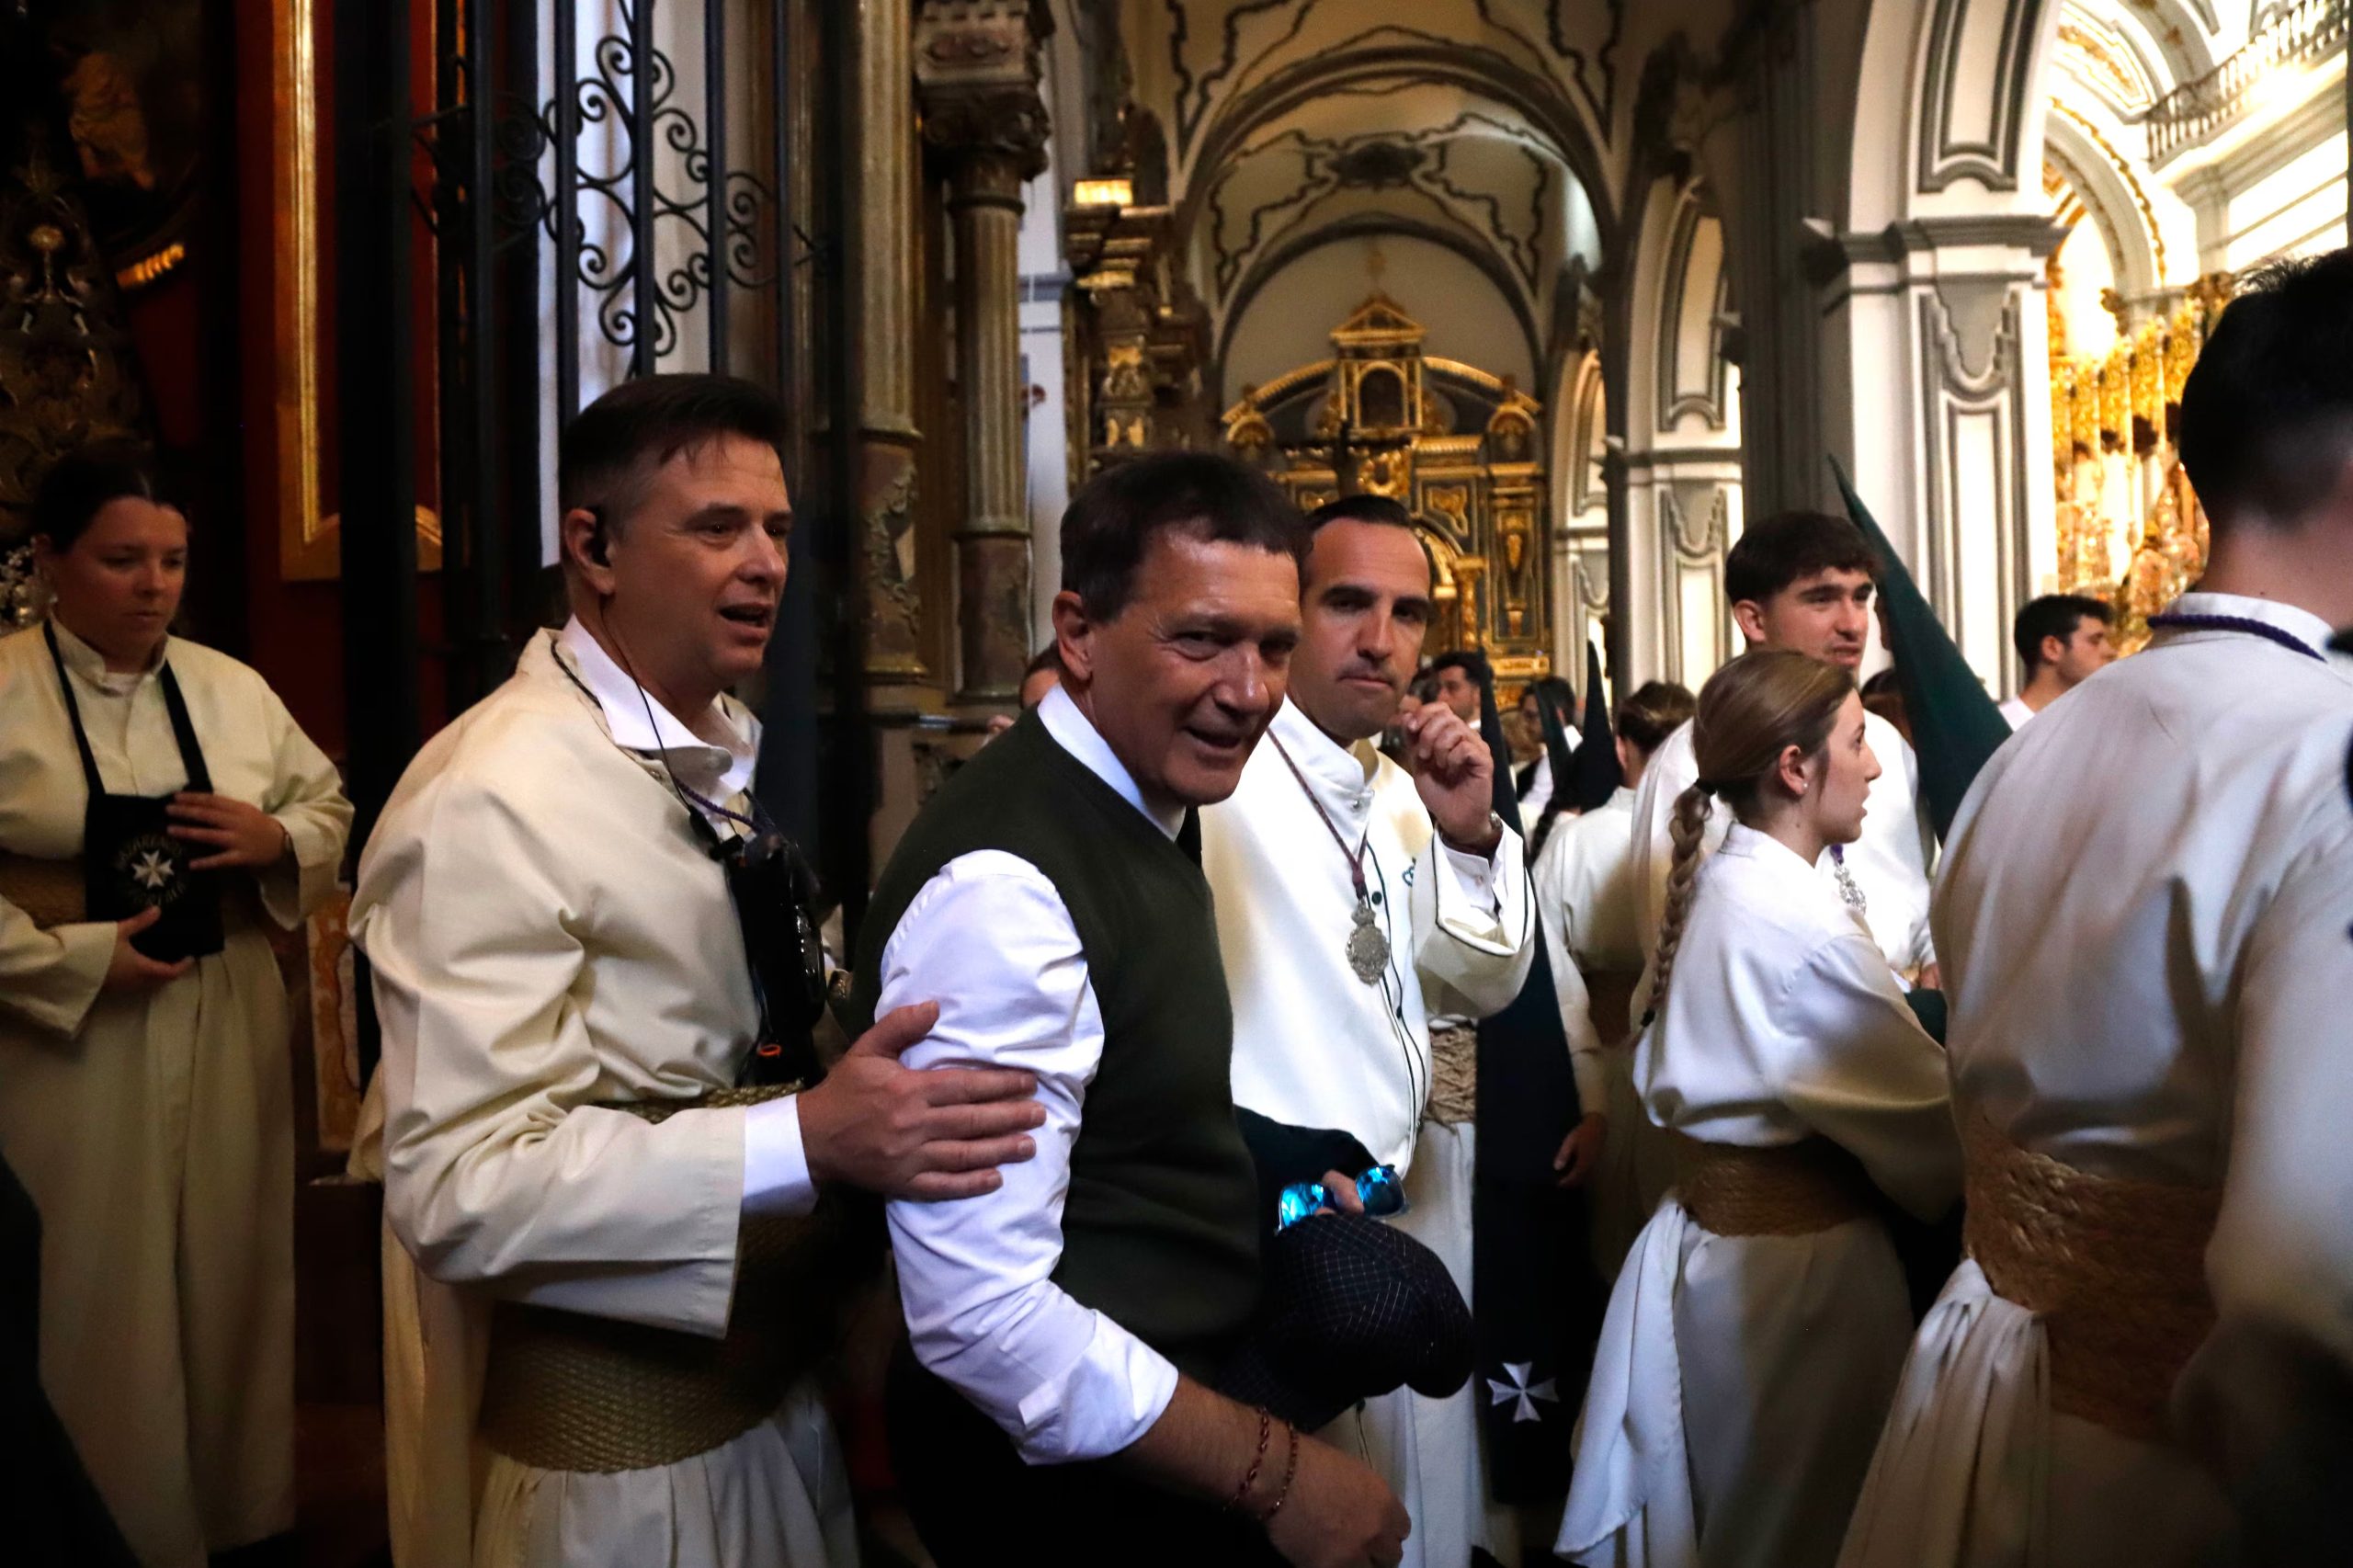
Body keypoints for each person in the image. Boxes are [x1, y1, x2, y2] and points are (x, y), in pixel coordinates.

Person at [351, 374, 1045, 1568]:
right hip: (625, 1479)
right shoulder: (490, 797)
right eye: (717, 526)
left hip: (776, 1406)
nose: (765, 561)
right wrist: (809, 1138)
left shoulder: (700, 758)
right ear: (594, 546)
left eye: (777, 529)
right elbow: (456, 1184)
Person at [1840, 253, 2353, 1568]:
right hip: (2194, 1482)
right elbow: (2310, 1287)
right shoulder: (2331, 753)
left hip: (1980, 1406)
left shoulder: (2036, 747)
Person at [852, 454, 1411, 1568]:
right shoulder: (1009, 891)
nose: (1248, 688)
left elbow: (1113, 1105)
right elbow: (982, 1316)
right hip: (1067, 1499)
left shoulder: (1142, 796)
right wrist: (1278, 1472)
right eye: (1200, 637)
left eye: (1271, 644)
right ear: (1077, 631)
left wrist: (1284, 1167)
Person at [0, 444, 353, 1566]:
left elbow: (328, 805)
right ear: (49, 559)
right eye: (120, 560)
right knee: (89, 1275)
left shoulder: (230, 687)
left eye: (171, 560)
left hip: (227, 1004)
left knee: (231, 1263)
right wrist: (71, 962)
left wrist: (277, 838)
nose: (153, 585)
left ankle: (237, 1514)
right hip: (63, 1025)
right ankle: (103, 1526)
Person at [1556, 652, 1961, 1568]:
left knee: (1739, 1514)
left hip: (1721, 1255)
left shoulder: (1738, 880)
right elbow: (1931, 1129)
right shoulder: (1796, 923)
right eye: (1856, 743)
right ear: (1792, 766)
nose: (1874, 765)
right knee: (1800, 1530)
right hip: (1798, 1283)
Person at [1198, 493, 1538, 1568]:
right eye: (1346, 602)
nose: (1381, 638)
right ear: (1286, 608)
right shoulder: (1216, 777)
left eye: (1408, 610)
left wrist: (1472, 834)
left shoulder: (1397, 788)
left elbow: (1479, 980)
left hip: (1402, 1215)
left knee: (1410, 1518)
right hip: (1274, 1238)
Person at [1626, 513, 1938, 1009]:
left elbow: (1921, 887)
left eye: (1861, 597)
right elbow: (1688, 954)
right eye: (1821, 599)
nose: (1853, 624)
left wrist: (1934, 958)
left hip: (1897, 1016)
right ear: (1753, 619)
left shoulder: (1885, 746)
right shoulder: (1698, 757)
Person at [1531, 680, 1695, 1274]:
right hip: (1689, 1071)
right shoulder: (1715, 840)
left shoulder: (1577, 843)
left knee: (1608, 1257)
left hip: (1599, 1061)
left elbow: (1544, 968)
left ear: (1623, 747)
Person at [1998, 592, 2116, 729]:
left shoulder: (2101, 727)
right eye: (2094, 640)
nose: (2110, 652)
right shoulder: (1999, 731)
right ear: (2052, 648)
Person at [1514, 676, 1578, 820]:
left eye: (1531, 716)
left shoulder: (1556, 756)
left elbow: (1530, 813)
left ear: (1557, 716)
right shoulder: (1577, 746)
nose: (1525, 724)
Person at [1427, 650, 1483, 723]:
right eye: (1437, 688)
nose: (1440, 697)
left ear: (1478, 693)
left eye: (1452, 687)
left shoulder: (1493, 733)